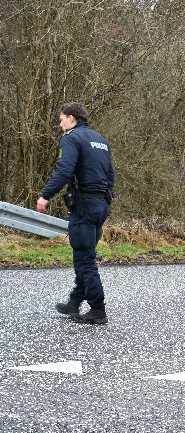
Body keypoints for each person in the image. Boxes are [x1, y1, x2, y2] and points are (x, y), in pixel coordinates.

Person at [36, 102, 115, 324]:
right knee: (85, 253)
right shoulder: (100, 140)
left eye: (61, 119)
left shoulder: (72, 138)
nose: (60, 124)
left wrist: (45, 195)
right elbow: (110, 176)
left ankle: (97, 310)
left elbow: (64, 169)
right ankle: (74, 301)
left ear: (71, 118)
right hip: (101, 205)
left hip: (84, 207)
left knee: (84, 260)